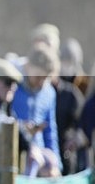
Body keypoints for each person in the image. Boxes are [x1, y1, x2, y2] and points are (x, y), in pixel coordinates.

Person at [11, 44, 62, 177]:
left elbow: (50, 130)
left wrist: (56, 164)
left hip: (40, 160)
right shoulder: (12, 88)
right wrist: (22, 128)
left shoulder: (49, 93)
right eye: (38, 76)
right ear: (28, 66)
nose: (41, 82)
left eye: (45, 78)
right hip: (15, 154)